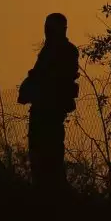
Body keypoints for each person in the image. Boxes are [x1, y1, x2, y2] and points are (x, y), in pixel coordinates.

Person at [18, 13, 80, 191]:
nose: (47, 31)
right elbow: (40, 74)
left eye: (50, 28)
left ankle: (52, 192)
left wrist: (36, 81)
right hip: (43, 108)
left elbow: (53, 77)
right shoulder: (50, 49)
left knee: (50, 155)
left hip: (51, 110)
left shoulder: (64, 51)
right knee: (39, 154)